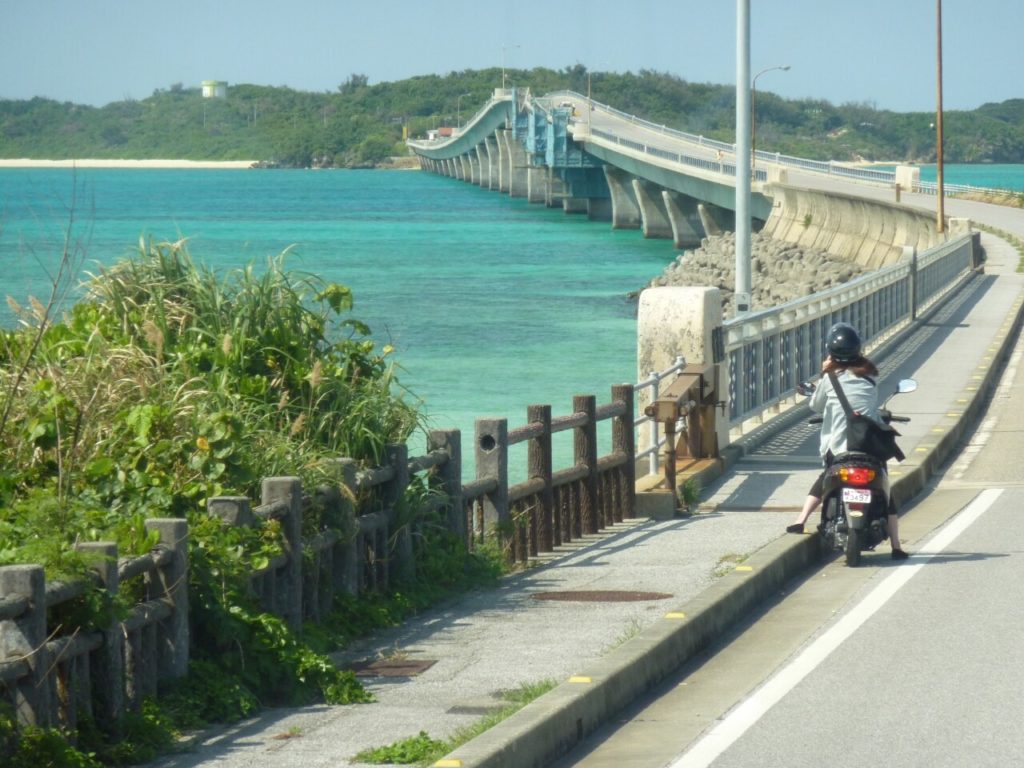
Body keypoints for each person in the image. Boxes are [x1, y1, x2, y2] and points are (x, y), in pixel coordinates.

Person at [786, 322, 909, 560]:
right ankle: (896, 545)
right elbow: (869, 405)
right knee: (885, 488)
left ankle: (801, 520)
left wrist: (824, 374)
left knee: (825, 478)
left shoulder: (829, 380)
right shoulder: (870, 377)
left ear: (830, 352)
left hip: (839, 446)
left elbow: (815, 405)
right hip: (868, 445)